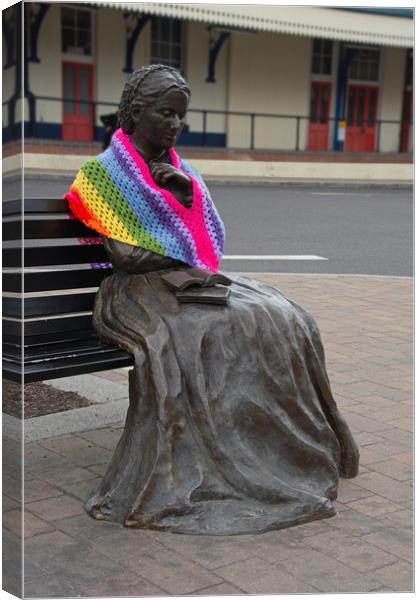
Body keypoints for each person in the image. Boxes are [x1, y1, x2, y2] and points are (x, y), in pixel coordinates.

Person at [65, 64, 359, 535]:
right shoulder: (101, 176)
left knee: (280, 315)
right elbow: (127, 257)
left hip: (186, 279)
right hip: (136, 293)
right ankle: (212, 460)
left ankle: (281, 448)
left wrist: (184, 199)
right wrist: (176, 244)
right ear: (137, 113)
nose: (176, 126)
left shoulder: (184, 172)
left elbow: (209, 248)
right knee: (208, 332)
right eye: (166, 114)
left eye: (182, 116)